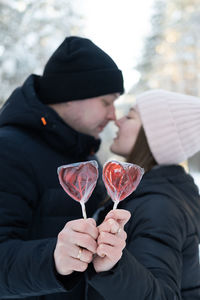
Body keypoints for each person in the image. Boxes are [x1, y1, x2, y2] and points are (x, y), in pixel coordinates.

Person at [0, 36, 126, 300]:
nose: (114, 114)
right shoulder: (8, 151)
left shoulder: (84, 153)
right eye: (106, 101)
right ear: (70, 94)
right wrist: (55, 259)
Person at [87, 89, 200, 299]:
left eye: (129, 116)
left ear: (153, 135)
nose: (118, 121)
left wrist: (112, 267)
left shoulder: (159, 206)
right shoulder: (148, 193)